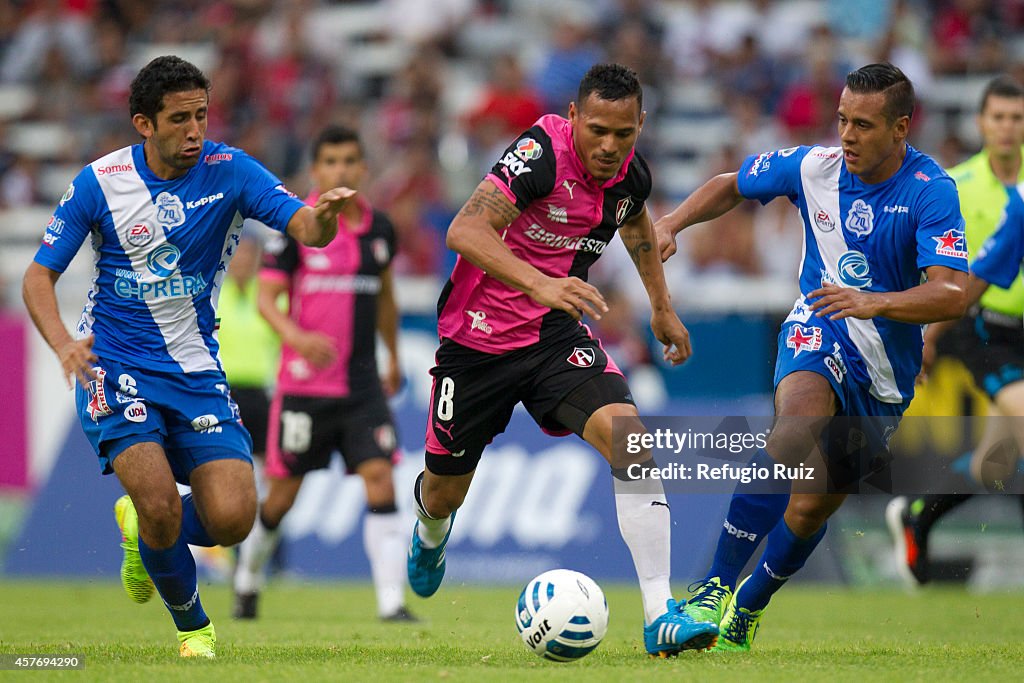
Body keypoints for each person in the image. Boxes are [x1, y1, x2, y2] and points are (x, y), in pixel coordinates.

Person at [21, 55, 354, 658]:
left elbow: (305, 228)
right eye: (180, 119)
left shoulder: (232, 171)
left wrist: (323, 220)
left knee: (233, 517)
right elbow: (38, 277)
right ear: (144, 124)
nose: (196, 130)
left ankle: (141, 526)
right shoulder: (100, 183)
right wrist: (65, 343)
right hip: (115, 365)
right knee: (159, 502)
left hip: (195, 369)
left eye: (202, 115)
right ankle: (193, 628)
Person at [405, 63, 719, 657]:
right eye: (597, 130)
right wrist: (540, 283)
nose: (608, 146)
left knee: (632, 443)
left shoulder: (630, 177)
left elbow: (639, 230)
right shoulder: (540, 153)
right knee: (445, 492)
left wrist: (660, 307)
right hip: (476, 342)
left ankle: (661, 614)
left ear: (640, 125)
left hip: (552, 335)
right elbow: (465, 230)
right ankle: (429, 532)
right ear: (574, 117)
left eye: (623, 134)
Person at [655, 62, 968, 651]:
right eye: (843, 119)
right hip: (819, 327)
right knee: (795, 425)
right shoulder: (813, 167)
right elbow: (732, 182)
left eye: (865, 125)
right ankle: (712, 590)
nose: (847, 135)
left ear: (901, 129)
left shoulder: (931, 190)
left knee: (808, 511)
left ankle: (746, 609)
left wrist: (874, 302)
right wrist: (673, 221)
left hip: (885, 378)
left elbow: (951, 290)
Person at [232, 125, 413, 622]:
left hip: (361, 385)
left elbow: (387, 299)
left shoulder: (380, 230)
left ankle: (391, 604)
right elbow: (267, 300)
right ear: (316, 171)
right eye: (331, 161)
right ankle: (247, 580)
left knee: (380, 479)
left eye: (350, 160)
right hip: (304, 388)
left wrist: (393, 356)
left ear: (363, 168)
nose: (341, 170)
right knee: (282, 496)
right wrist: (297, 338)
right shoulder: (296, 228)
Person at [886, 75, 1024, 587]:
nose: (1008, 127)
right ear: (982, 123)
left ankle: (918, 515)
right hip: (985, 330)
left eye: (1017, 118)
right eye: (1000, 117)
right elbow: (943, 278)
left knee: (996, 463)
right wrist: (929, 337)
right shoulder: (956, 186)